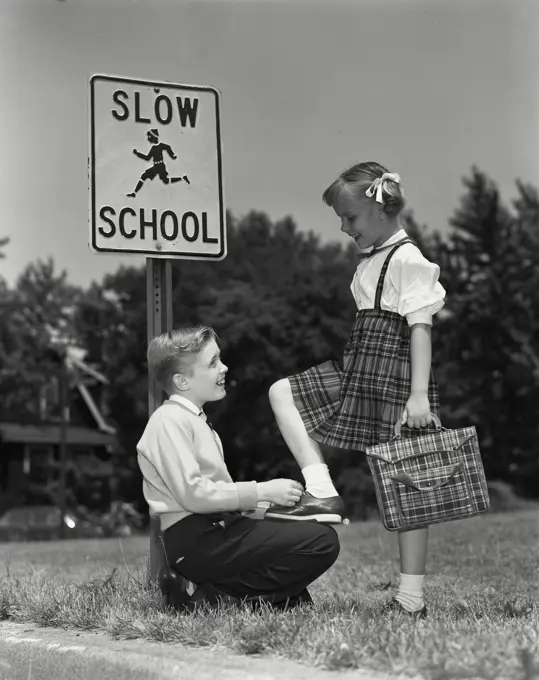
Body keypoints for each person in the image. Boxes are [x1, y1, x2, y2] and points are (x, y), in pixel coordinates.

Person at [265, 162, 446, 617]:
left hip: (398, 379)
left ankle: (410, 600)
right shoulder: (369, 262)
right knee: (282, 391)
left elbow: (420, 329)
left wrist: (419, 396)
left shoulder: (409, 261)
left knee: (410, 488)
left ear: (379, 209)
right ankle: (322, 488)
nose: (344, 227)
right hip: (359, 369)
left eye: (351, 218)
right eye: (341, 220)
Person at [136, 326, 340, 612]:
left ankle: (241, 595)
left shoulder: (196, 422)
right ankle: (217, 599)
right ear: (182, 381)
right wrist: (261, 491)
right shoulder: (168, 421)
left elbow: (219, 498)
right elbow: (194, 495)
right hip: (196, 543)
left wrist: (268, 507)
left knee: (313, 538)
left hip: (215, 532)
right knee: (321, 543)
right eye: (213, 363)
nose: (224, 367)